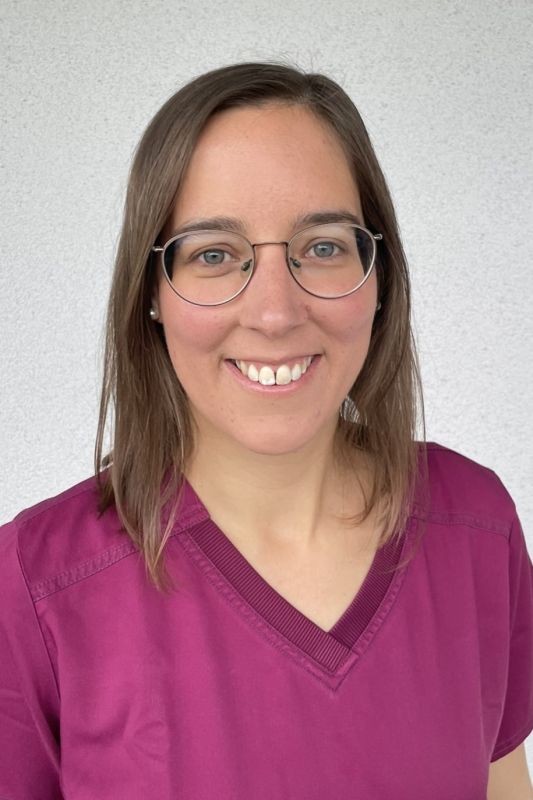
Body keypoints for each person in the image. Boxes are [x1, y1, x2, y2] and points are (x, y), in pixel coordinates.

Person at [0, 62, 532, 800]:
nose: (276, 313)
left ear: (379, 275)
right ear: (151, 293)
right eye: (214, 255)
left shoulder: (477, 525)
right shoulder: (32, 585)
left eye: (323, 246)